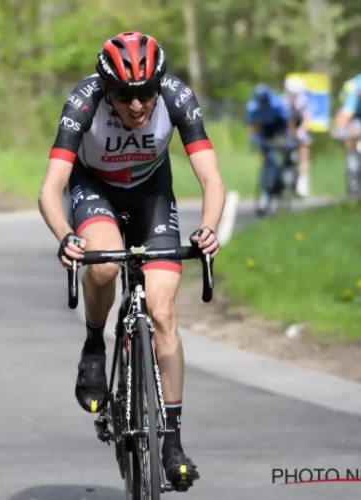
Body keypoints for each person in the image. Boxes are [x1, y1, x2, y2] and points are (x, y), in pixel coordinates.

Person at [37, 31, 224, 490]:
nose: (137, 107)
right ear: (106, 91)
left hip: (152, 193)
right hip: (94, 187)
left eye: (145, 95)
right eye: (124, 96)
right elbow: (49, 188)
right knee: (102, 264)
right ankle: (94, 345)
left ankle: (173, 442)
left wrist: (209, 228)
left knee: (162, 310)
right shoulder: (82, 102)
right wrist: (65, 237)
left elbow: (211, 179)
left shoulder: (178, 98)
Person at [246, 83, 292, 213]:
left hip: (279, 127)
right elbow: (251, 124)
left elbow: (286, 123)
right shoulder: (252, 107)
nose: (261, 104)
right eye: (259, 101)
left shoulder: (277, 104)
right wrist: (253, 137)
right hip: (265, 130)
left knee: (284, 150)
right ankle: (267, 191)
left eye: (263, 101)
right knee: (267, 158)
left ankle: (287, 175)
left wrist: (285, 139)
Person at [280, 76, 313, 197]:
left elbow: (306, 118)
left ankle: (303, 178)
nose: (293, 95)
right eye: (291, 93)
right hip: (287, 126)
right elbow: (284, 119)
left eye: (296, 93)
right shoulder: (283, 100)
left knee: (305, 145)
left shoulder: (304, 101)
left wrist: (302, 130)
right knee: (281, 144)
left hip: (301, 126)